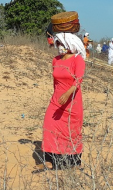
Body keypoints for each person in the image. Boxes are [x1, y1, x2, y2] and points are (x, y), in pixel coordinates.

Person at [36, 32, 86, 172]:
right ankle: (50, 160)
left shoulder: (77, 60)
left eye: (61, 44)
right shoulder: (56, 60)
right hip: (56, 100)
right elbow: (55, 81)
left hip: (72, 101)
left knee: (72, 130)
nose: (59, 47)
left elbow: (78, 80)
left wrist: (67, 94)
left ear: (69, 45)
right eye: (57, 44)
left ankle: (76, 162)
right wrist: (57, 95)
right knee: (49, 126)